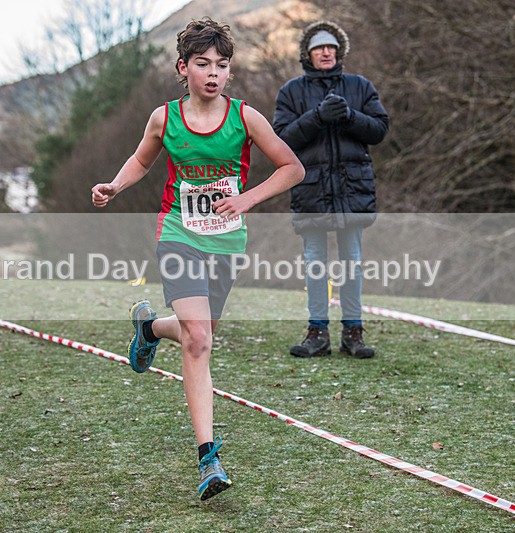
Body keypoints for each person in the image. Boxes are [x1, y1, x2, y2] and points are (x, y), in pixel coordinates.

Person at [91, 18, 304, 501]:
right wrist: (115, 185)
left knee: (198, 331)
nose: (214, 73)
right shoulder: (164, 118)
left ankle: (149, 328)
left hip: (226, 242)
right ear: (182, 68)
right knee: (200, 340)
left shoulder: (245, 118)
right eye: (203, 64)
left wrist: (247, 199)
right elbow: (142, 160)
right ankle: (208, 457)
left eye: (222, 65)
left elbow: (293, 168)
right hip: (178, 235)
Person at [273, 21, 389, 359]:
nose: (326, 52)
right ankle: (317, 333)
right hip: (311, 190)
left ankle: (353, 333)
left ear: (339, 52)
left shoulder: (360, 86)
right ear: (307, 54)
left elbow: (379, 130)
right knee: (315, 264)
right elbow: (281, 140)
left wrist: (350, 116)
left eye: (331, 47)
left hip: (353, 190)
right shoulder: (291, 92)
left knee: (352, 262)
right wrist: (317, 117)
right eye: (319, 48)